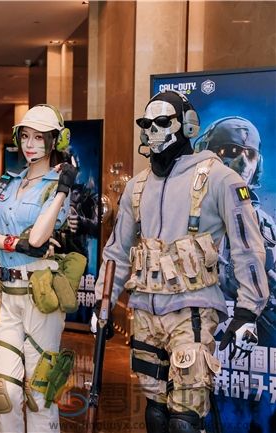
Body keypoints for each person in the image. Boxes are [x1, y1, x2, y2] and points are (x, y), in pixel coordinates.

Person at [91, 90, 268, 433]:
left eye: (162, 122)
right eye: (146, 124)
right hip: (145, 312)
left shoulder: (220, 178)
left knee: (184, 419)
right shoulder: (137, 187)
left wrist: (248, 311)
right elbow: (117, 252)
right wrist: (103, 302)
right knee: (156, 413)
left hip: (193, 312)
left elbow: (247, 247)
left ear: (187, 126)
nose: (152, 131)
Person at [0, 104, 82, 433]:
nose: (30, 144)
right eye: (25, 136)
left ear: (55, 140)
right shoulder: (7, 183)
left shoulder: (57, 185)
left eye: (39, 137)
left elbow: (37, 238)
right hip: (5, 294)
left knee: (40, 393)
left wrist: (63, 188)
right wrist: (14, 243)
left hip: (40, 295)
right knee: (3, 393)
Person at [194, 116, 276, 341]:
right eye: (230, 150)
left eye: (250, 154)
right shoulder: (187, 212)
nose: (243, 162)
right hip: (195, 327)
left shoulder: (266, 225)